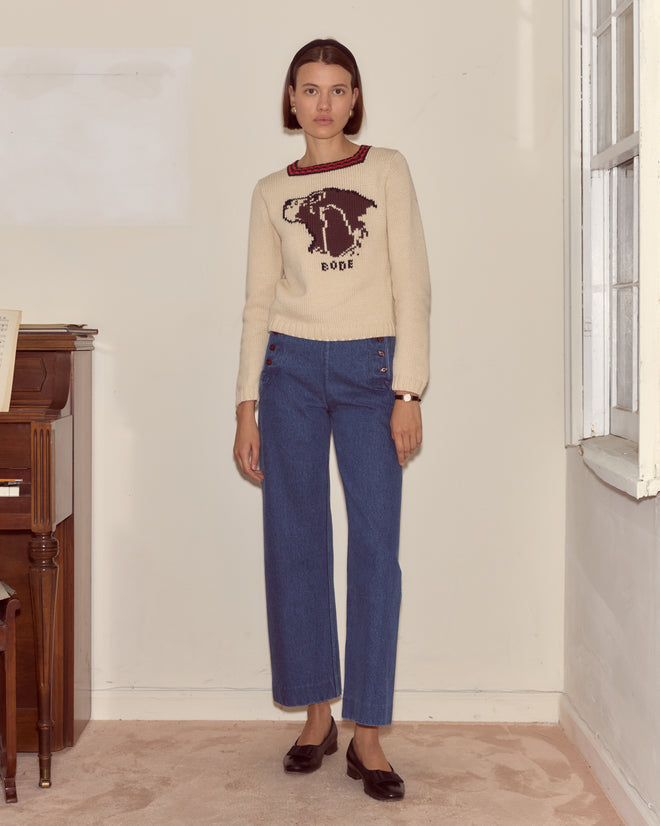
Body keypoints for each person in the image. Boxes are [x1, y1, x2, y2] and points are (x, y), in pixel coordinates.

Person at [233, 38, 430, 802]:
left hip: (371, 372)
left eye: (338, 89)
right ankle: (316, 713)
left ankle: (369, 733)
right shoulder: (268, 191)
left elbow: (412, 282)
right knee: (296, 541)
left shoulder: (387, 170)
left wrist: (408, 390)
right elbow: (257, 300)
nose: (323, 102)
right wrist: (245, 402)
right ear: (290, 99)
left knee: (377, 547)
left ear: (355, 99)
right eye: (309, 89)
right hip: (288, 372)